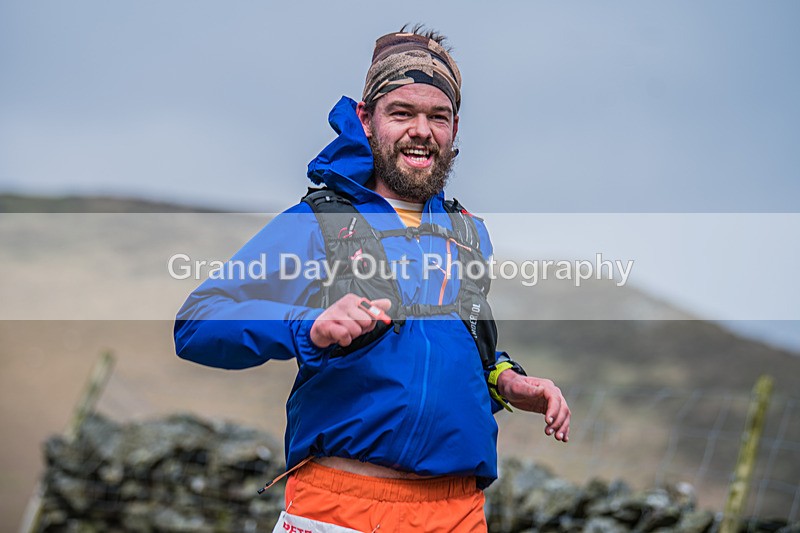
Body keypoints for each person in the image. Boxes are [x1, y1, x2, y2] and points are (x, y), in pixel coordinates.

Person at [175, 25, 570, 532]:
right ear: (366, 119)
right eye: (401, 113)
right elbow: (196, 323)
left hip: (457, 514)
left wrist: (510, 382)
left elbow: (466, 349)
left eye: (438, 116)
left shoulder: (468, 233)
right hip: (338, 505)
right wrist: (308, 327)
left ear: (454, 128)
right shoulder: (316, 223)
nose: (421, 130)